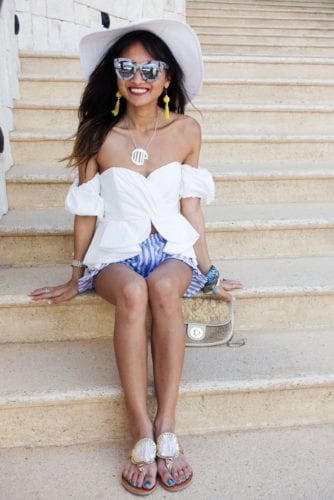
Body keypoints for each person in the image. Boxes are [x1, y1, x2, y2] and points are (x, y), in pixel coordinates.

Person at [29, 18, 243, 496]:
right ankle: (140, 430)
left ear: (167, 78)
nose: (138, 77)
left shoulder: (187, 130)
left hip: (170, 248)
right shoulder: (97, 135)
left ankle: (168, 425)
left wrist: (208, 274)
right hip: (115, 253)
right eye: (127, 66)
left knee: (165, 288)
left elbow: (191, 207)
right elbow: (86, 214)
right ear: (116, 76)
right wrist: (75, 273)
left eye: (151, 68)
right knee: (132, 291)